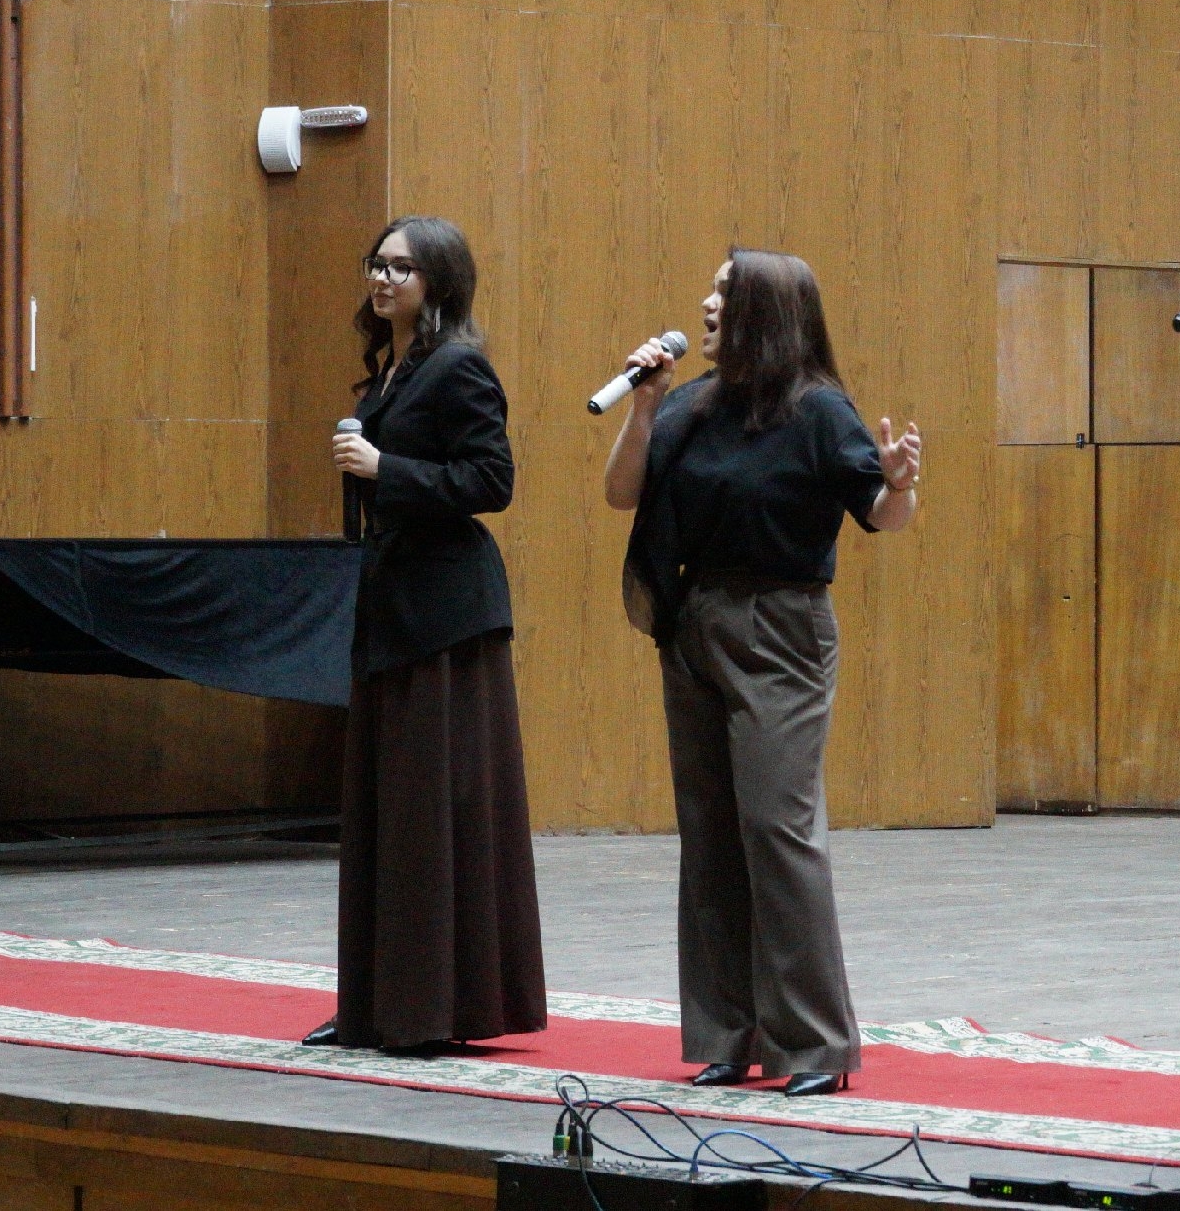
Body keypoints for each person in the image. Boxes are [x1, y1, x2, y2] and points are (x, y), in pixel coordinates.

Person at [601, 248, 922, 1097]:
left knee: (776, 830)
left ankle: (814, 1045)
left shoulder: (818, 410)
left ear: (766, 312)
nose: (707, 305)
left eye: (725, 292)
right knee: (709, 832)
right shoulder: (691, 404)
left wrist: (898, 485)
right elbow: (622, 494)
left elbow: (882, 513)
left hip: (782, 628)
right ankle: (727, 1034)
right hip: (694, 621)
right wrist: (644, 407)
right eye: (710, 290)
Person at [306, 216, 547, 1053]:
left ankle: (436, 1006)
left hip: (446, 614)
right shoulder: (390, 371)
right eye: (377, 263)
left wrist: (386, 469)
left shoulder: (458, 366)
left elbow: (492, 480)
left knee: (430, 810)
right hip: (396, 603)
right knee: (387, 809)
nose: (382, 279)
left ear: (438, 281)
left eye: (401, 268)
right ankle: (380, 1003)